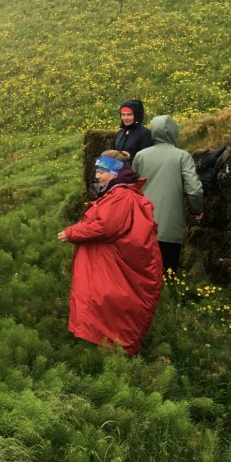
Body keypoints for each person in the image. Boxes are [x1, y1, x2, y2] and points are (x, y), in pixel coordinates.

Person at [57, 151, 162, 356]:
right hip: (110, 262)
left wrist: (72, 232)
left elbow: (106, 227)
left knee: (108, 301)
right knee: (104, 301)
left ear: (114, 173)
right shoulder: (119, 193)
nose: (97, 176)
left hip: (112, 264)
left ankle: (111, 348)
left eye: (101, 172)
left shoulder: (120, 196)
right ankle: (104, 343)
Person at [132, 115, 203, 274]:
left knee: (142, 273)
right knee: (167, 272)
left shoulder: (140, 156)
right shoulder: (182, 156)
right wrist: (197, 210)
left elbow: (132, 187)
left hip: (143, 221)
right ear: (173, 132)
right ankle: (169, 297)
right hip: (170, 224)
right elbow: (195, 189)